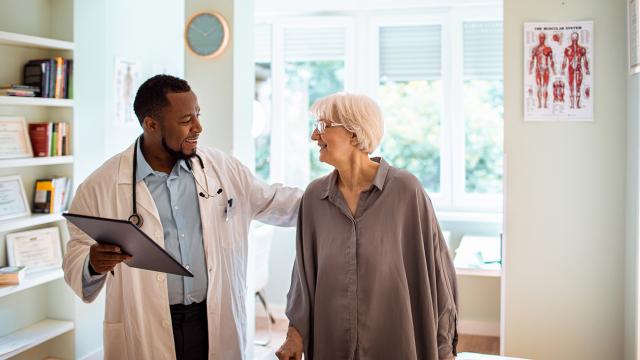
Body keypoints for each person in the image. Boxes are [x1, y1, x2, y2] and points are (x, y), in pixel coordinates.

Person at [62, 75, 302, 360]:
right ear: (151, 125)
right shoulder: (100, 185)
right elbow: (75, 255)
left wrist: (341, 191)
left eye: (198, 115)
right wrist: (92, 263)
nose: (198, 127)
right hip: (145, 324)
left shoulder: (221, 168)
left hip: (212, 318)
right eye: (186, 119)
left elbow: (276, 200)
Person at [275, 93, 458, 360]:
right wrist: (294, 335)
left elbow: (438, 276)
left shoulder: (406, 191)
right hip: (332, 345)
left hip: (396, 343)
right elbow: (303, 279)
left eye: (323, 126)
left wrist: (444, 350)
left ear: (354, 133)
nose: (315, 136)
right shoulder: (314, 198)